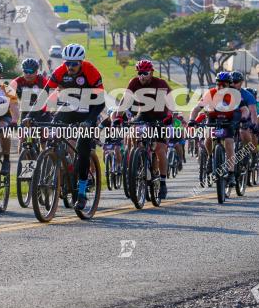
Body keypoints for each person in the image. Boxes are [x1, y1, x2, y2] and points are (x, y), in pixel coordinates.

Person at [45, 43, 105, 210]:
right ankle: (56, 168)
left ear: (81, 62)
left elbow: (100, 102)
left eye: (74, 64)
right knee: (52, 131)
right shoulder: (60, 71)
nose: (70, 67)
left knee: (83, 150)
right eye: (67, 63)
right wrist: (29, 115)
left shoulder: (91, 71)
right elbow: (45, 91)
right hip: (68, 107)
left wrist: (90, 120)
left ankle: (82, 192)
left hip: (89, 110)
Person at [116, 59, 173, 199]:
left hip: (160, 116)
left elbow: (171, 102)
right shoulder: (134, 82)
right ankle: (136, 158)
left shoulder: (161, 83)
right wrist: (118, 116)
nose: (142, 76)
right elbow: (125, 100)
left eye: (145, 73)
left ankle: (163, 182)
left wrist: (170, 116)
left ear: (152, 72)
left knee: (159, 149)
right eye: (140, 73)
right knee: (132, 132)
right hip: (143, 114)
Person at [189, 71, 241, 179]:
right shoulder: (210, 93)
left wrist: (243, 118)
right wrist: (191, 120)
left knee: (229, 143)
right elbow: (197, 108)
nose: (221, 87)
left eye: (224, 84)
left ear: (229, 84)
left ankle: (231, 173)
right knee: (208, 138)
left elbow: (244, 109)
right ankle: (210, 157)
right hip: (213, 118)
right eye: (219, 84)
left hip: (228, 120)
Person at [230, 71, 257, 158]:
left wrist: (254, 124)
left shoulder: (248, 95)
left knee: (244, 132)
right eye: (231, 82)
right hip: (230, 119)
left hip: (244, 119)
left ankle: (251, 153)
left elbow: (253, 112)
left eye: (236, 82)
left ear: (241, 82)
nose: (233, 84)